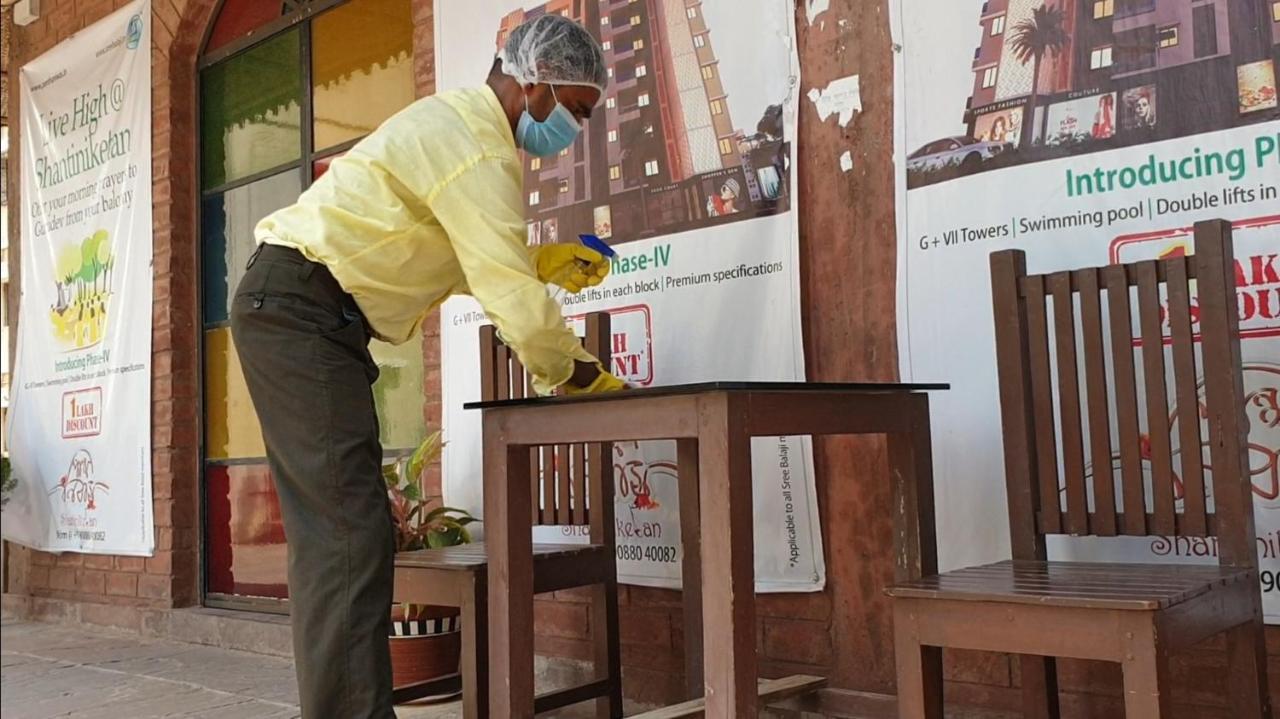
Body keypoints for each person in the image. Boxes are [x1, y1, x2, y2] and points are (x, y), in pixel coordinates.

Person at [229, 15, 622, 719]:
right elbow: (513, 301)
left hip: (304, 309)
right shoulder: (478, 147)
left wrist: (540, 262)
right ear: (536, 82)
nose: (576, 129)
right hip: (302, 308)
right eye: (577, 110)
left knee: (342, 533)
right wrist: (581, 371)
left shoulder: (467, 131)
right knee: (347, 534)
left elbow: (463, 257)